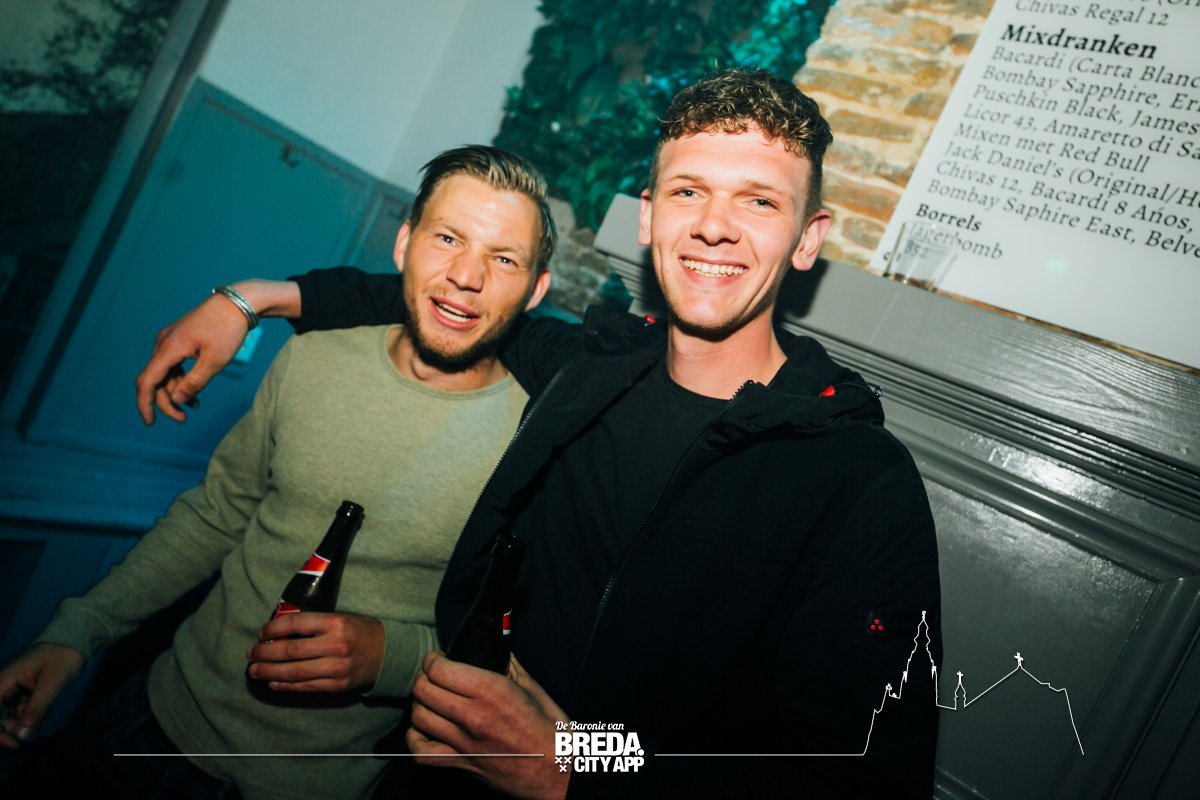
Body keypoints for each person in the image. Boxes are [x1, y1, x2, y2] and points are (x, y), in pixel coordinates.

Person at [131, 69, 942, 798]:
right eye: (688, 192)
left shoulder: (857, 479)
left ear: (807, 238)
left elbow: (860, 774)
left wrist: (575, 762)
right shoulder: (584, 373)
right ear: (649, 217)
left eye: (759, 201)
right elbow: (454, 297)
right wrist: (248, 300)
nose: (714, 227)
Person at [0, 145, 554, 800]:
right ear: (405, 243)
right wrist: (77, 631)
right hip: (149, 721)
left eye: (504, 258)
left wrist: (392, 657)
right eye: (448, 238)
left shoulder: (536, 443)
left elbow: (512, 644)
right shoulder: (313, 357)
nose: (466, 275)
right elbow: (216, 515)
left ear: (536, 289)